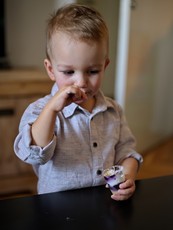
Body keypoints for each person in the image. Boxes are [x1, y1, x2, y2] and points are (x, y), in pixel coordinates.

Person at [14, 4, 142, 200]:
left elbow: (126, 152)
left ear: (105, 66)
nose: (81, 82)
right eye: (68, 72)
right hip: (56, 209)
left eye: (93, 71)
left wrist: (128, 177)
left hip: (102, 203)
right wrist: (52, 110)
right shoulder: (40, 110)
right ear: (51, 69)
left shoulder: (113, 110)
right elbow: (34, 154)